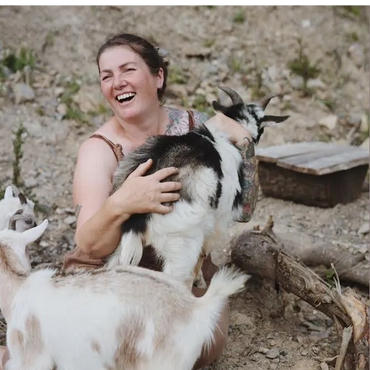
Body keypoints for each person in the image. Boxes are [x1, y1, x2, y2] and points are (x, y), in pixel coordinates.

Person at [0, 33, 259, 370]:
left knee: (201, 345)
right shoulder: (99, 150)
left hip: (181, 270)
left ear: (158, 76)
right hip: (109, 273)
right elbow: (89, 244)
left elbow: (247, 210)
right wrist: (123, 203)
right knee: (125, 346)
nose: (117, 82)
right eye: (106, 76)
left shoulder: (198, 129)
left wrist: (243, 142)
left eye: (127, 70)